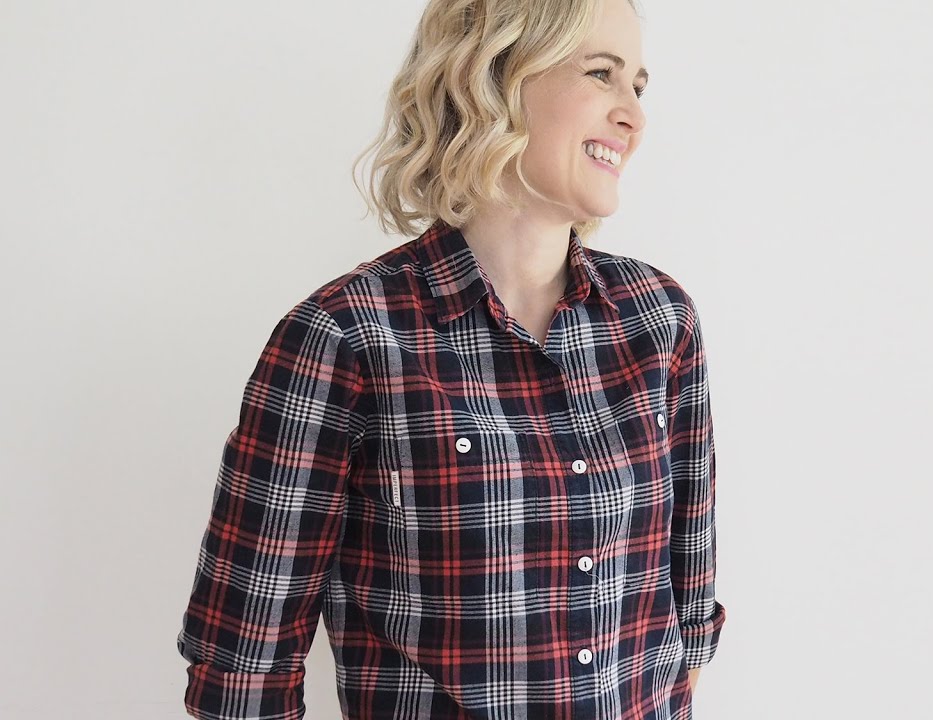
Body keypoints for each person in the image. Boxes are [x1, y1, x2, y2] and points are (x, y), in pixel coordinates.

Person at [174, 0, 726, 717]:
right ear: (493, 78)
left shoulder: (659, 321)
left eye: (640, 87)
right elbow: (244, 667)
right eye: (602, 74)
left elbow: (688, 621)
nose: (634, 116)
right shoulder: (346, 336)